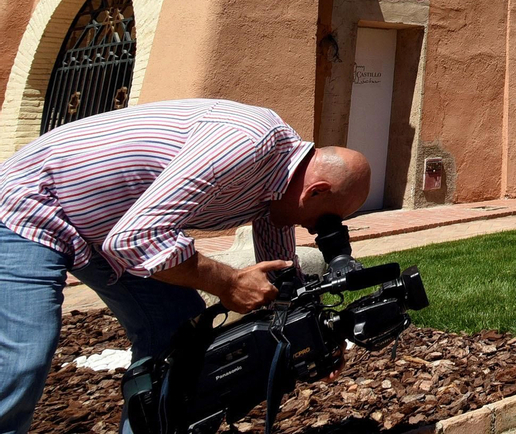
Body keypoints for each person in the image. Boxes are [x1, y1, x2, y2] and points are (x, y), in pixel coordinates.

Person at [0, 99, 370, 434]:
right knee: (23, 359)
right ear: (315, 191)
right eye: (324, 220)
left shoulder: (280, 185)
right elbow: (135, 238)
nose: (316, 230)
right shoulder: (246, 145)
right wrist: (227, 282)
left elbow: (277, 276)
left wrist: (311, 336)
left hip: (104, 228)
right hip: (32, 205)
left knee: (180, 337)